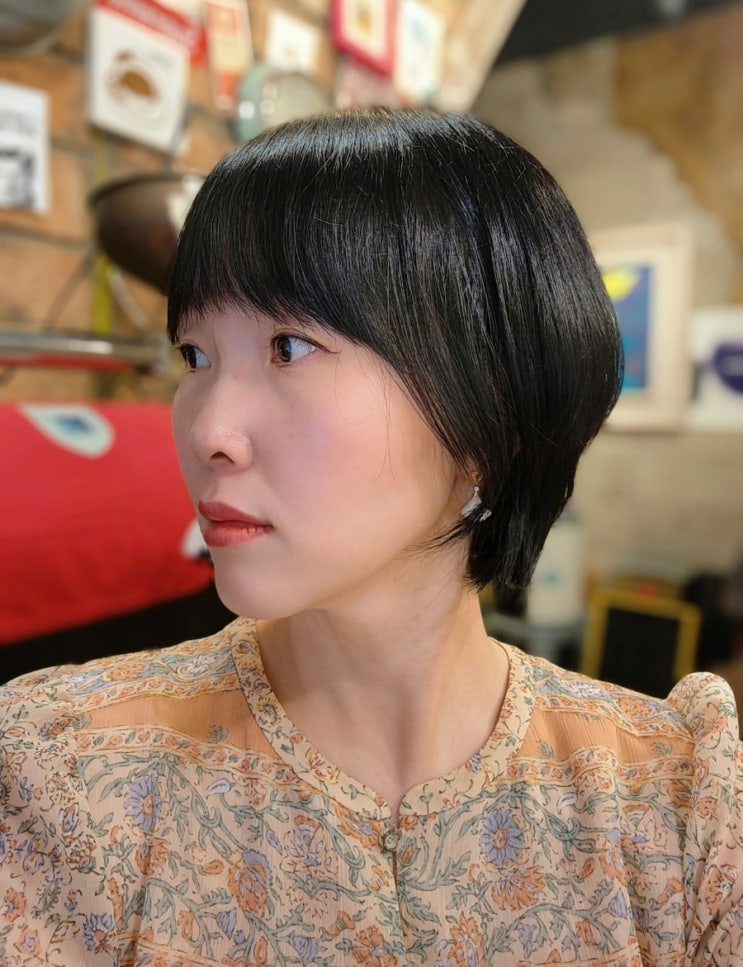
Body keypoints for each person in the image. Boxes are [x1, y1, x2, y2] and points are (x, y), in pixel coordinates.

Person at [0, 108, 740, 967]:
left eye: (287, 346)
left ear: (488, 412)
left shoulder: (676, 803)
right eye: (194, 356)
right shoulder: (65, 771)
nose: (209, 431)